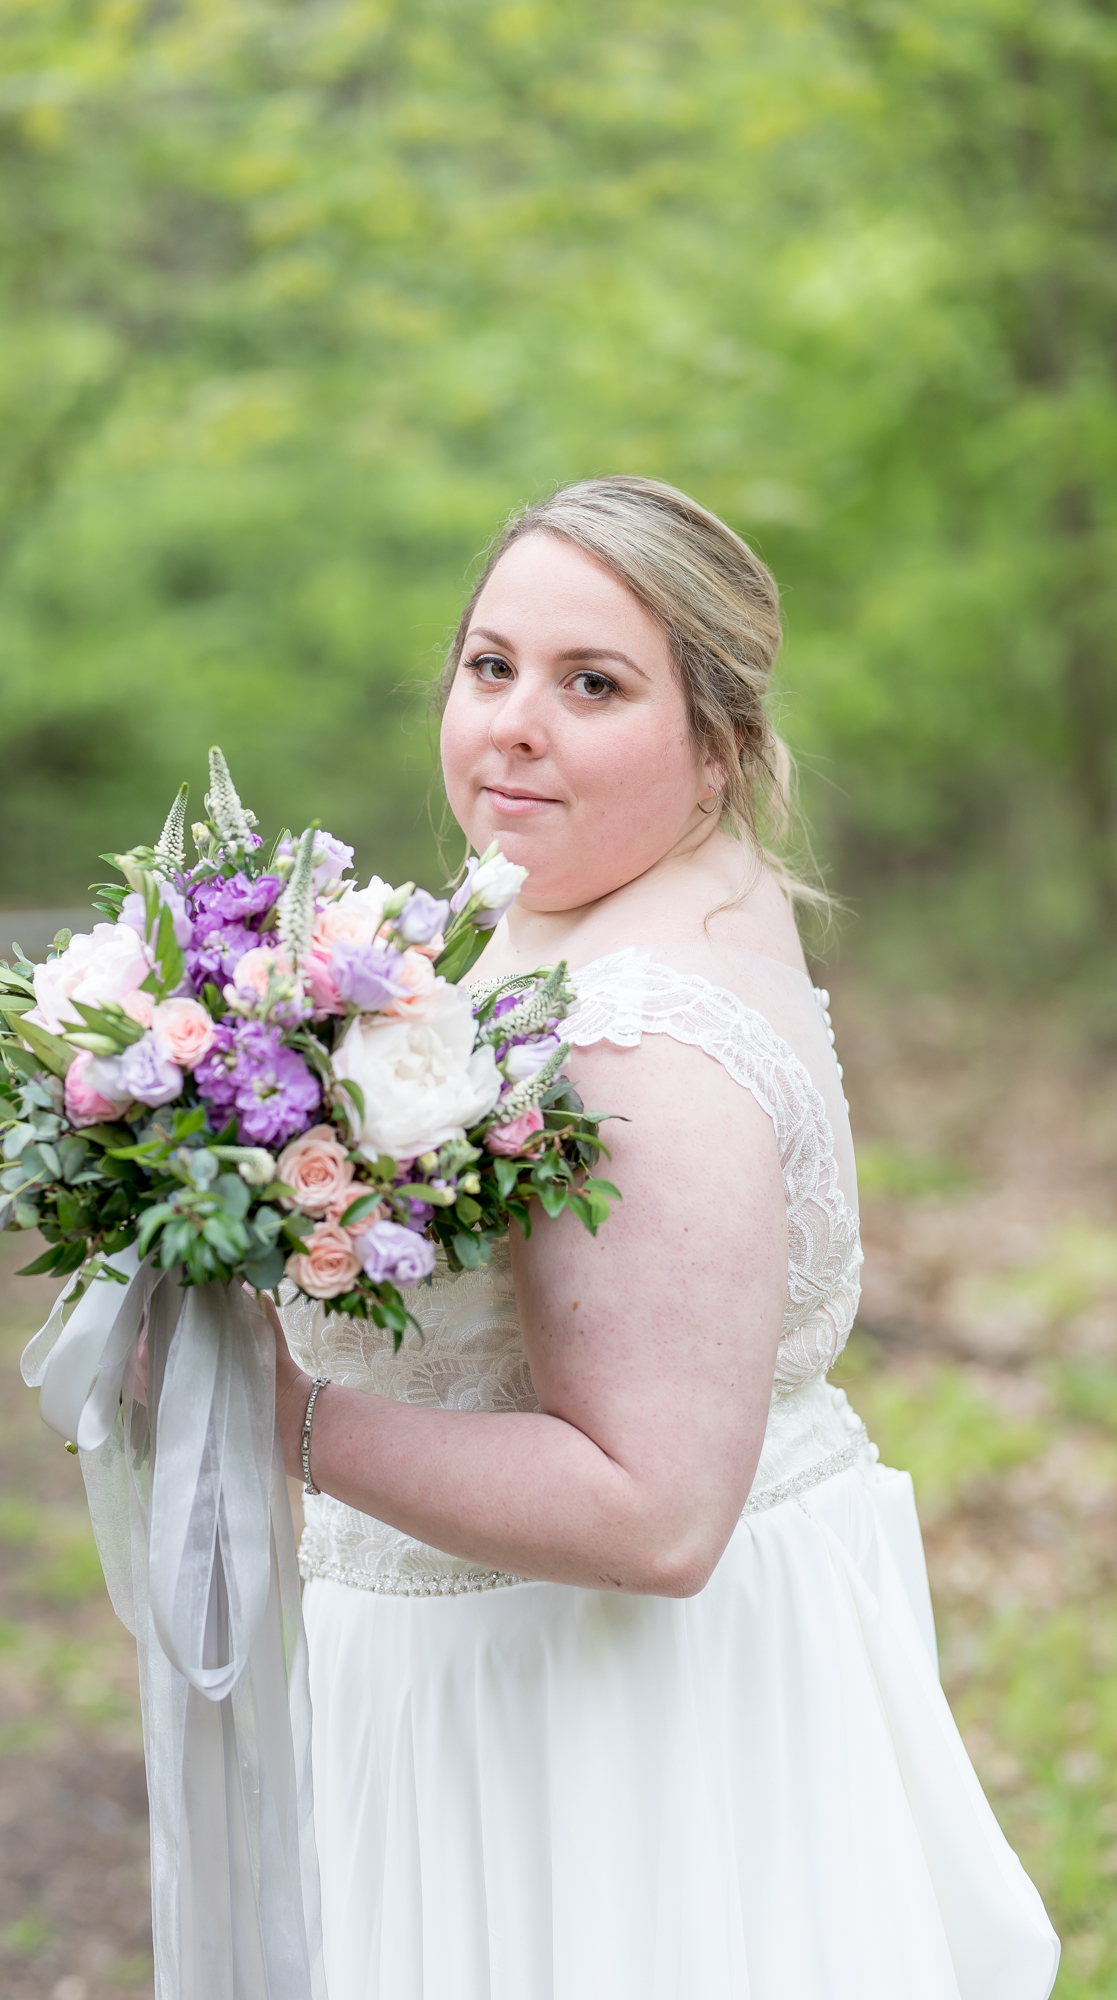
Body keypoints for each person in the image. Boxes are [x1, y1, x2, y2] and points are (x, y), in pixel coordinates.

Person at [269, 476, 1060, 2000]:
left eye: (593, 685)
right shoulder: (601, 901)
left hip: (596, 1738)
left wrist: (273, 1416)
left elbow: (652, 1515)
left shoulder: (633, 1042)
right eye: (490, 664)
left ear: (715, 748)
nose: (512, 722)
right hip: (547, 1693)